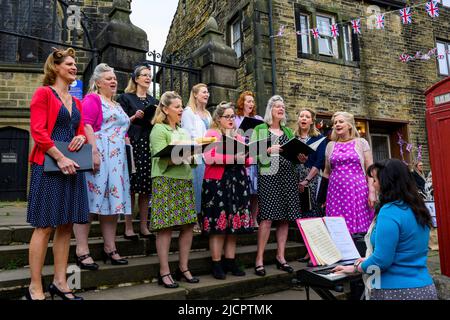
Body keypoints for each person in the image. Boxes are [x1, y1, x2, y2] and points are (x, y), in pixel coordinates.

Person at [26, 47, 87, 300]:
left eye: (75, 64)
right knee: (44, 227)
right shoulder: (43, 94)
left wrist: (82, 136)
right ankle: (35, 286)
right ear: (55, 67)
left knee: (65, 226)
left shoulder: (77, 101)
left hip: (73, 167)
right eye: (70, 64)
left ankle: (61, 282)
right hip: (49, 164)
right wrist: (60, 157)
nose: (74, 67)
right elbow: (38, 131)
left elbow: (81, 129)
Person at [333, 159, 438, 300]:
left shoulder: (389, 211)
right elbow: (404, 252)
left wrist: (356, 267)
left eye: (375, 180)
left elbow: (381, 261)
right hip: (425, 287)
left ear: (387, 182)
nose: (373, 184)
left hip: (395, 291)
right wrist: (366, 261)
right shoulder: (418, 208)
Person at [73, 63, 131, 270]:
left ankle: (110, 248)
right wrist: (94, 153)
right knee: (90, 203)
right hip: (99, 155)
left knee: (112, 205)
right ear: (97, 83)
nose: (113, 81)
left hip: (117, 160)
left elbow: (122, 130)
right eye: (108, 78)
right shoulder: (92, 99)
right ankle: (81, 249)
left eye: (114, 78)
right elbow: (86, 124)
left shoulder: (116, 104)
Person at [150, 91, 199, 288]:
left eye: (181, 106)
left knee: (188, 225)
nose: (181, 110)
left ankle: (183, 267)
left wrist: (194, 154)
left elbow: (192, 160)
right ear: (165, 109)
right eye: (177, 107)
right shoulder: (158, 130)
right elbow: (162, 159)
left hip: (184, 180)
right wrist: (182, 154)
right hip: (165, 180)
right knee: (165, 228)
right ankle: (164, 271)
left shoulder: (183, 131)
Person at [202, 102, 253, 279]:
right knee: (218, 224)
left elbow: (248, 160)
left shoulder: (238, 136)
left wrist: (247, 156)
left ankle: (230, 261)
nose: (231, 120)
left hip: (237, 181)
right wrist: (234, 158)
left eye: (233, 116)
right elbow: (209, 157)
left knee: (234, 224)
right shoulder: (212, 134)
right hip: (217, 183)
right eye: (227, 116)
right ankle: (216, 263)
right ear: (218, 118)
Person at [251, 95, 301, 276]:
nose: (281, 109)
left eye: (283, 107)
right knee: (267, 218)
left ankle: (281, 256)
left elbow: (294, 157)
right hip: (269, 175)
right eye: (277, 106)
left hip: (288, 176)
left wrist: (300, 158)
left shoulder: (288, 132)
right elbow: (252, 154)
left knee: (285, 218)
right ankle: (259, 258)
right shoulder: (260, 128)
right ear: (270, 110)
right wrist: (267, 150)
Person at [117, 64, 158, 240]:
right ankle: (128, 227)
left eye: (150, 75)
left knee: (145, 188)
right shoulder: (125, 98)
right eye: (144, 75)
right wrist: (134, 117)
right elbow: (118, 122)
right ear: (136, 78)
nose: (148, 78)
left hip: (148, 143)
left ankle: (144, 226)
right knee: (131, 186)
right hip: (132, 143)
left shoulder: (153, 101)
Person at [322, 111, 376, 234]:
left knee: (359, 229)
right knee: (337, 227)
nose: (337, 124)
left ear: (350, 125)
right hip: (335, 192)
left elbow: (370, 170)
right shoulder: (330, 145)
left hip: (358, 191)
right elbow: (326, 172)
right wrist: (322, 197)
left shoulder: (361, 142)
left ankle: (360, 251)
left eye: (341, 122)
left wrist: (372, 192)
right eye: (335, 123)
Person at [295, 108, 327, 263]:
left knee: (311, 214)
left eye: (307, 117)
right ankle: (308, 250)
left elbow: (319, 161)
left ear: (312, 120)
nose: (304, 118)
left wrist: (306, 180)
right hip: (294, 177)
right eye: (301, 116)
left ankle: (314, 253)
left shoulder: (319, 138)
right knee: (300, 216)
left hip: (311, 179)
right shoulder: (293, 137)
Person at [181, 83, 212, 232]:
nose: (207, 95)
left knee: (206, 188)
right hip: (195, 155)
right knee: (195, 187)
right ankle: (193, 220)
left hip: (209, 155)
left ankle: (204, 219)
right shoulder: (188, 112)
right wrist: (204, 144)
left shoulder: (208, 114)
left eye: (208, 93)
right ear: (195, 94)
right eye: (204, 92)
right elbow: (188, 135)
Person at [235, 91, 263, 227]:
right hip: (242, 155)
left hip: (255, 155)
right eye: (248, 101)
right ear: (242, 103)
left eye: (252, 101)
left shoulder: (258, 118)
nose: (251, 104)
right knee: (244, 189)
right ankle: (243, 217)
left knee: (255, 191)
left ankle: (253, 218)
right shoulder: (235, 118)